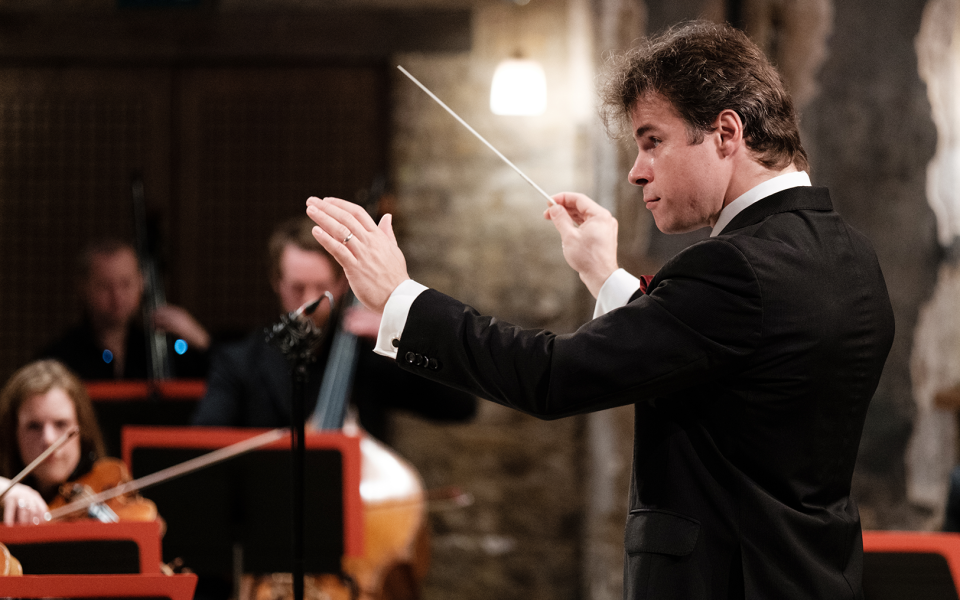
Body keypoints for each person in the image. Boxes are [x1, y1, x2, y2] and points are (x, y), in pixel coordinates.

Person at [306, 21, 895, 600]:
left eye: (651, 141)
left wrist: (402, 299)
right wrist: (602, 275)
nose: (638, 171)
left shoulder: (733, 269)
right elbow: (718, 361)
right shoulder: (852, 258)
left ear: (725, 132)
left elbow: (552, 376)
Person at [191, 217, 476, 442]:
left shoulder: (368, 355)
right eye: (297, 288)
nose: (309, 302)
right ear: (276, 281)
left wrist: (404, 336)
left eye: (321, 288)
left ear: (341, 284)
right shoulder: (238, 361)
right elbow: (203, 446)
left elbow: (460, 407)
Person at [39, 239, 210, 380]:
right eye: (105, 286)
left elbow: (221, 380)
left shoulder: (161, 349)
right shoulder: (60, 359)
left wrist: (200, 339)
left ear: (141, 283)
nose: (117, 297)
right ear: (83, 288)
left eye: (126, 284)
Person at [0, 360, 107, 525]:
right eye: (34, 426)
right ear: (12, 432)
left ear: (82, 430)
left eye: (61, 424)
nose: (48, 439)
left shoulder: (109, 490)